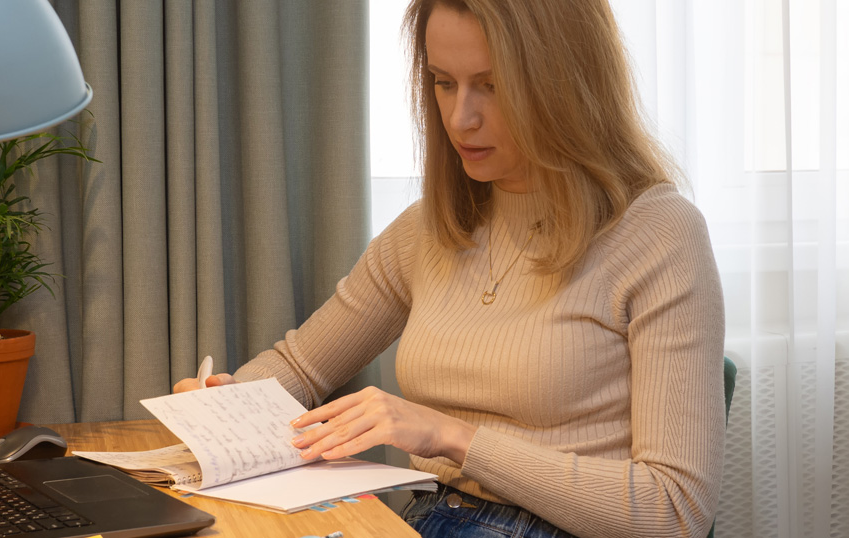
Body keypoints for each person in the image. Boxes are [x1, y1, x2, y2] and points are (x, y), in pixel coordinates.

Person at [174, 0, 725, 536]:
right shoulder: (427, 230)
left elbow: (675, 511)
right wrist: (227, 404)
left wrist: (453, 437)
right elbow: (301, 366)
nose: (461, 117)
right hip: (433, 517)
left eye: (493, 85)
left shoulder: (659, 234)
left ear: (567, 82)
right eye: (443, 82)